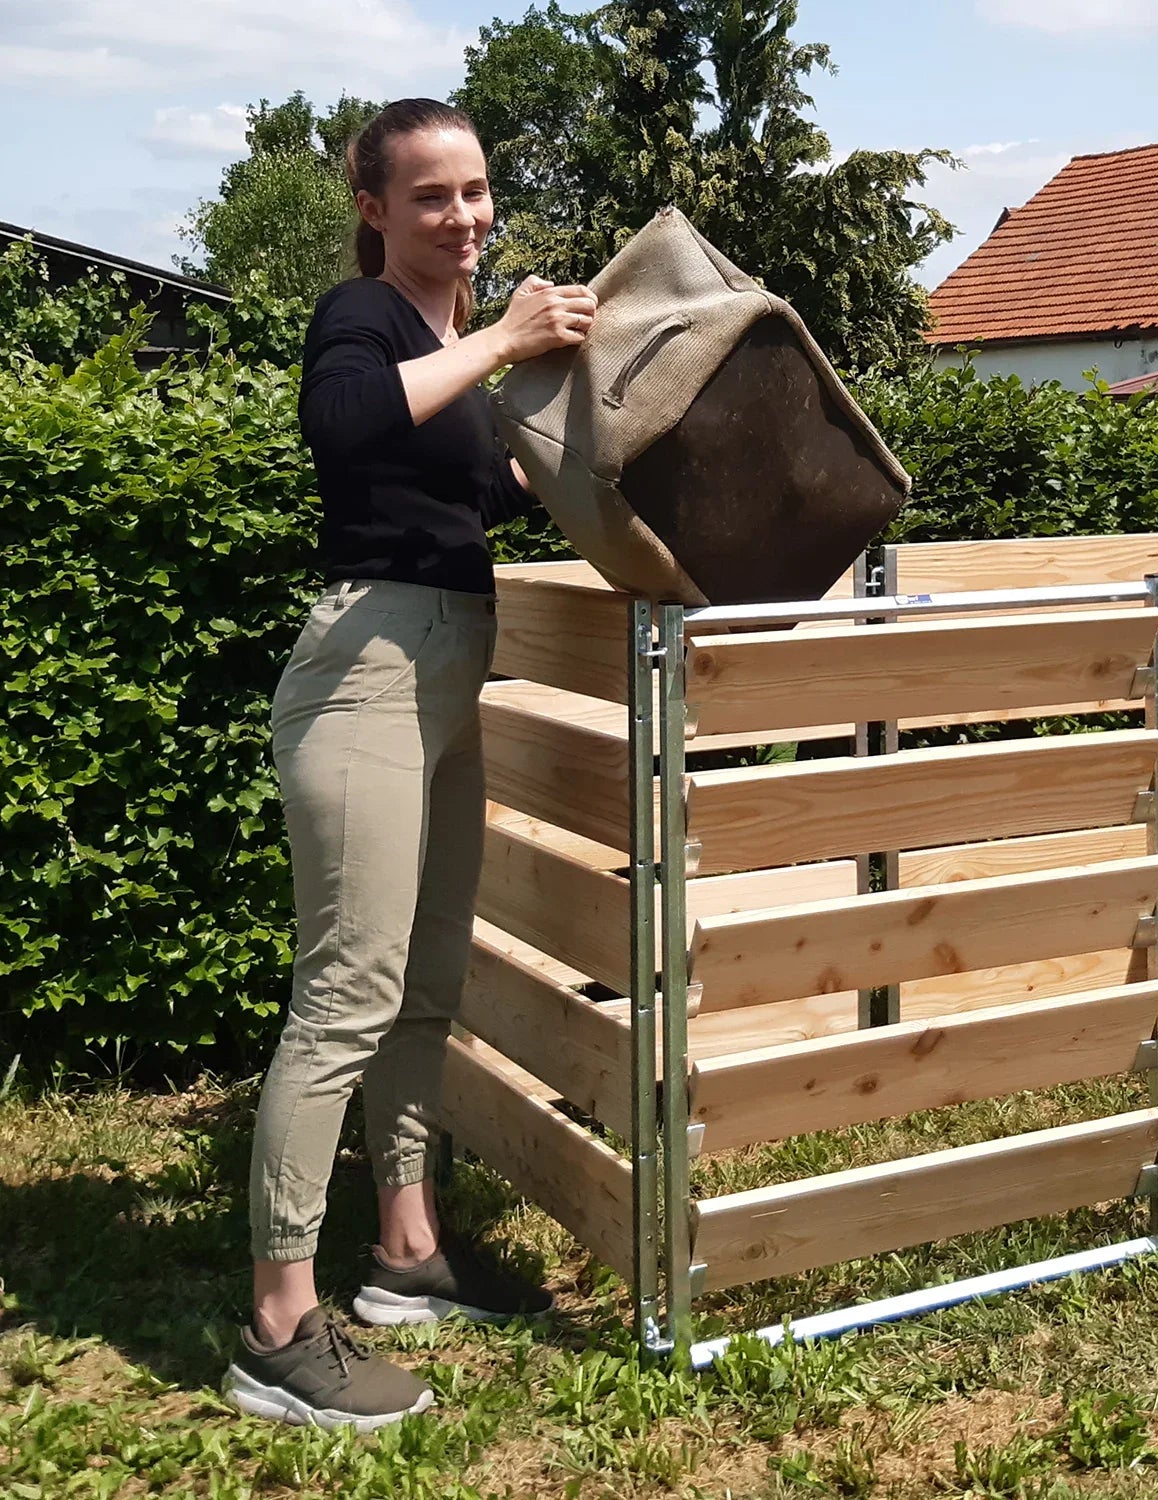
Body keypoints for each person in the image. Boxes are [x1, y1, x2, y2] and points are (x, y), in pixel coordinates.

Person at [222, 98, 598, 1431]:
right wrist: (503, 341)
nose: (465, 217)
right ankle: (278, 1325)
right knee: (347, 995)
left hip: (448, 674)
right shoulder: (367, 317)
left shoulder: (456, 348)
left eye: (479, 191)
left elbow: (498, 487)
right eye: (432, 196)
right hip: (368, 672)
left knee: (425, 984)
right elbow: (340, 426)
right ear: (375, 209)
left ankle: (406, 1254)